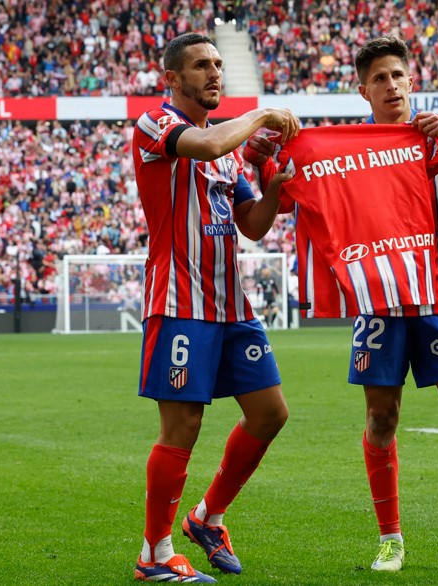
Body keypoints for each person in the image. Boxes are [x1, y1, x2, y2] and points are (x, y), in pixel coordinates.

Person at [245, 35, 438, 574]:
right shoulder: (345, 146)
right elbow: (265, 175)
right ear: (363, 90)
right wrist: (268, 138)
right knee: (381, 417)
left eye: (398, 74)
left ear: (411, 80)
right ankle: (391, 539)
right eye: (379, 78)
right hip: (377, 302)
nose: (391, 85)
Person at [130, 32, 299, 583]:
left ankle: (206, 518)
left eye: (219, 64)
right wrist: (261, 116)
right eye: (202, 65)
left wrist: (275, 184)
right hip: (180, 302)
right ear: (174, 78)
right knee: (183, 426)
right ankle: (154, 554)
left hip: (232, 306)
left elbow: (251, 225)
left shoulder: (226, 152)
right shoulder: (155, 124)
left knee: (270, 413)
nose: (215, 73)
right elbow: (200, 147)